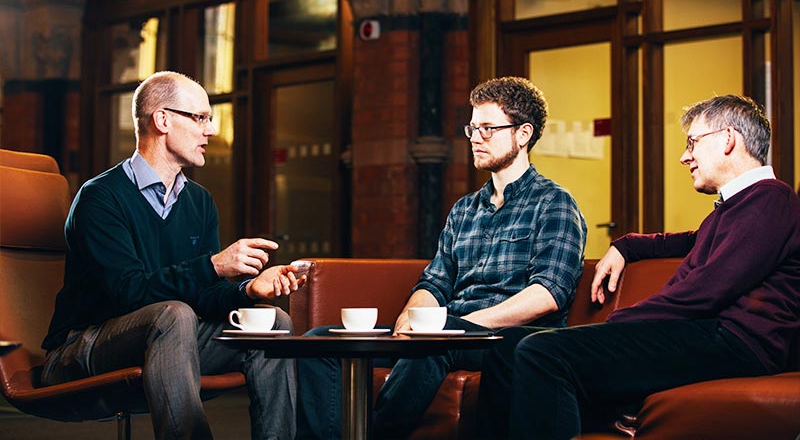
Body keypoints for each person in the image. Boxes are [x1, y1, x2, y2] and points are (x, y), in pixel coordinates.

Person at [477, 94, 800, 440]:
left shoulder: (771, 199)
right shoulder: (732, 210)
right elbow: (683, 242)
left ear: (728, 139)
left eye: (692, 142)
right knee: (504, 345)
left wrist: (619, 323)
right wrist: (625, 246)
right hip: (707, 335)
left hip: (735, 343)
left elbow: (707, 291)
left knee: (543, 353)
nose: (684, 156)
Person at [296, 76, 588, 438]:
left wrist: (459, 326)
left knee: (435, 341)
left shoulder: (555, 203)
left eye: (488, 128)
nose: (476, 138)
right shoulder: (465, 209)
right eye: (472, 128)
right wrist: (410, 316)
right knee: (319, 341)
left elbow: (548, 294)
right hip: (445, 330)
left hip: (504, 340)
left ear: (523, 133)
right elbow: (434, 281)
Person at [41, 71, 306, 440]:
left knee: (274, 323)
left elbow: (203, 297)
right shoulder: (100, 197)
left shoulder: (199, 202)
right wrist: (213, 265)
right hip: (81, 348)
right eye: (200, 117)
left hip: (168, 337)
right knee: (174, 313)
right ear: (162, 120)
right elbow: (128, 293)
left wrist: (248, 292)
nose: (210, 130)